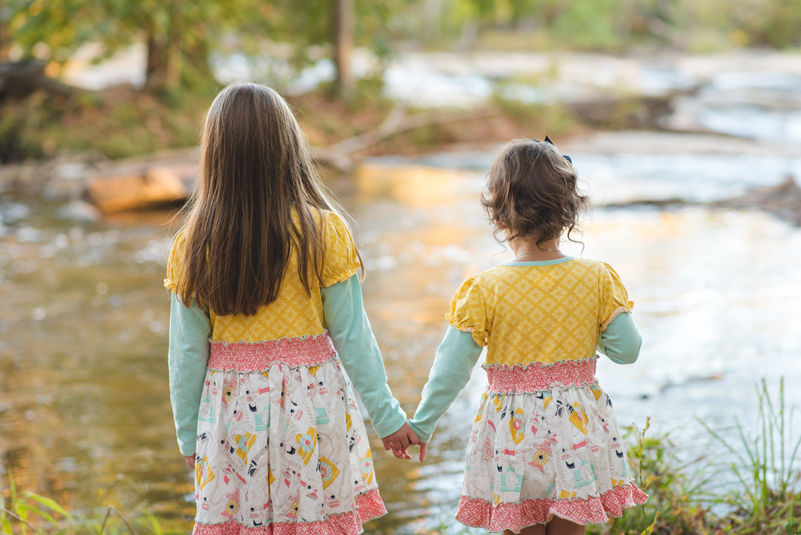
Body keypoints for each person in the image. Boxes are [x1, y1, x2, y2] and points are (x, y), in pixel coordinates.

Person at [165, 82, 418, 535]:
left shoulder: (194, 243)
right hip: (312, 412)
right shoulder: (323, 232)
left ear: (215, 156)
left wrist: (190, 435)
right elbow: (354, 338)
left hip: (231, 416)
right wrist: (387, 417)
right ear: (288, 150)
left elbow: (186, 355)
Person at [408, 138, 648, 535]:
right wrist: (592, 327)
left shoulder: (485, 288)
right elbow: (628, 351)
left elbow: (452, 368)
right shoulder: (597, 278)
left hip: (512, 436)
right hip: (577, 430)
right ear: (568, 211)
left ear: (500, 215)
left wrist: (422, 424)